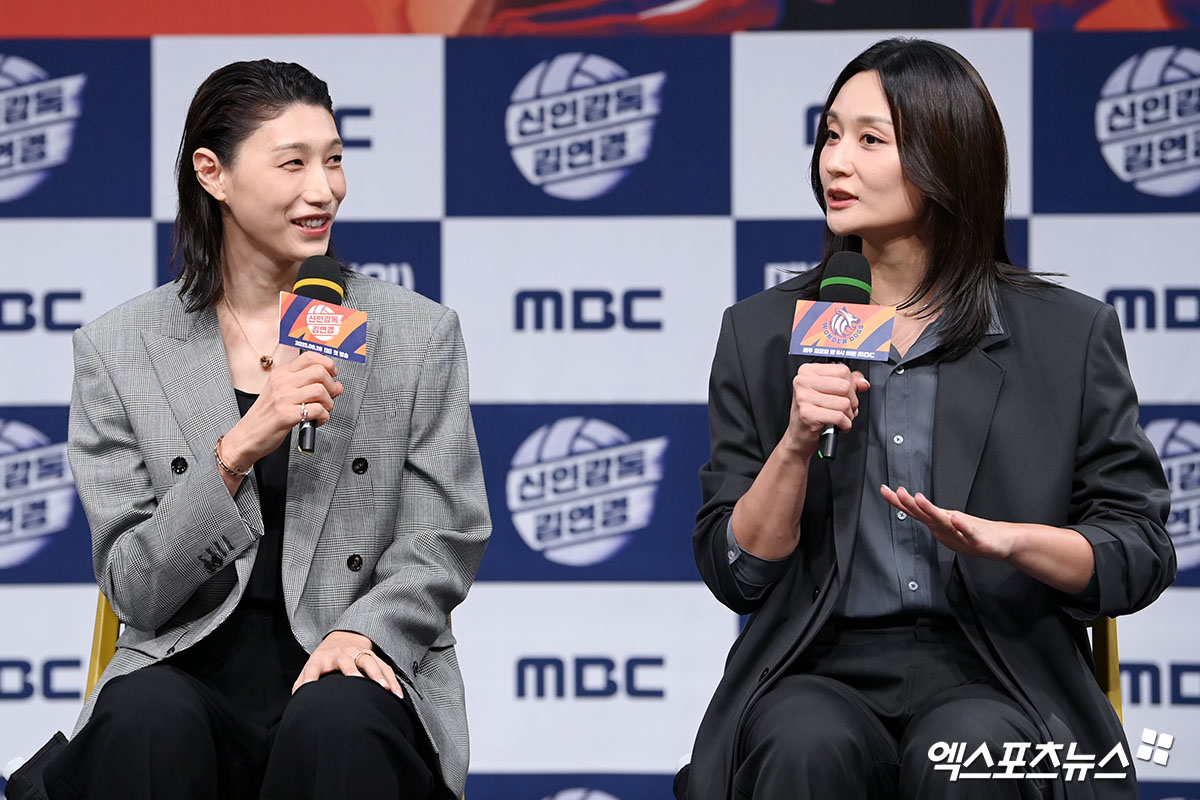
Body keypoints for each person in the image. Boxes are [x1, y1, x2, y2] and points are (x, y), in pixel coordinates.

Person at [681, 38, 1175, 800]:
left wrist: (1014, 542)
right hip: (817, 663)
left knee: (964, 754)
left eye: (870, 140)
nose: (836, 163)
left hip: (999, 665)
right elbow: (735, 571)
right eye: (830, 135)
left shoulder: (1067, 335)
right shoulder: (763, 333)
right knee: (802, 745)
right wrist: (795, 444)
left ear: (947, 160)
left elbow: (1139, 548)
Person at [42, 59, 490, 799]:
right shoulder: (121, 349)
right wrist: (239, 447)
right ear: (213, 174)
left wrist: (366, 630)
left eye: (334, 160)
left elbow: (445, 534)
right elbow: (135, 589)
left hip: (350, 658)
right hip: (184, 661)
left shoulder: (414, 333)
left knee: (338, 720)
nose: (324, 189)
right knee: (146, 720)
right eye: (293, 163)